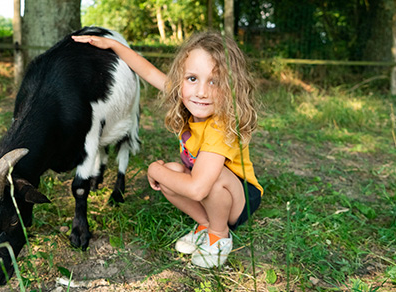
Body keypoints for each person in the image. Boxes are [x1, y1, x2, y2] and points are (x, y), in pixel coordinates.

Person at [72, 32, 263, 268]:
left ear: (232, 88)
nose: (201, 92)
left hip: (239, 199)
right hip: (209, 191)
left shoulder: (219, 128)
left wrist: (154, 169)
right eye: (192, 78)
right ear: (181, 79)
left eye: (214, 81)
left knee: (203, 179)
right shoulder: (186, 96)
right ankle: (205, 224)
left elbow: (197, 188)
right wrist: (113, 44)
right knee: (172, 171)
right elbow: (149, 72)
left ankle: (219, 235)